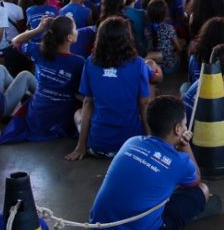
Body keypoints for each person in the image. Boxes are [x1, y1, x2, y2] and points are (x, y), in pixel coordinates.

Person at [90, 96, 220, 230]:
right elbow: (196, 180)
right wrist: (185, 146)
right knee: (202, 190)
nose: (185, 128)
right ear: (177, 129)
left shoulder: (132, 141)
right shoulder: (179, 162)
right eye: (184, 125)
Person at [66, 17, 157, 160]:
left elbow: (88, 103)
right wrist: (150, 143)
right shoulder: (138, 64)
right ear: (127, 39)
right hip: (131, 149)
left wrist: (81, 146)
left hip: (97, 148)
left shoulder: (90, 62)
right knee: (147, 94)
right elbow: (143, 104)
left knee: (78, 112)